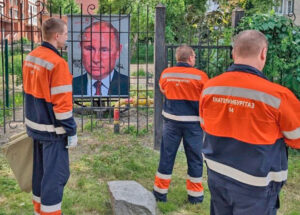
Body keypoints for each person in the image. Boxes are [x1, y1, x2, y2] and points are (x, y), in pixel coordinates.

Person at [199, 30, 300, 215]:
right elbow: (297, 138)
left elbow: (206, 125)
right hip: (256, 185)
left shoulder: (210, 88)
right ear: (263, 53)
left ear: (233, 53)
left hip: (217, 175)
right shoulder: (278, 96)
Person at [23, 18, 77, 215]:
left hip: (36, 128)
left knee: (40, 175)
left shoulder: (31, 57)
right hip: (53, 133)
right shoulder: (57, 64)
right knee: (55, 177)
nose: (66, 37)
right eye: (65, 34)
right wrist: (72, 130)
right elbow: (62, 108)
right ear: (57, 36)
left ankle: (39, 210)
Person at [153, 45, 209, 204]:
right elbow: (206, 97)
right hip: (193, 124)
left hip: (171, 122)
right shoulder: (200, 76)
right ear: (190, 58)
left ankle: (159, 194)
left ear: (178, 58)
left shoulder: (166, 73)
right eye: (195, 57)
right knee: (195, 158)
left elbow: (163, 89)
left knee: (166, 156)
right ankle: (195, 197)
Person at [73, 21, 129, 96]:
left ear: (118, 51)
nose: (96, 59)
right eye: (89, 49)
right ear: (81, 47)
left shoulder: (128, 85)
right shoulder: (70, 85)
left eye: (104, 50)